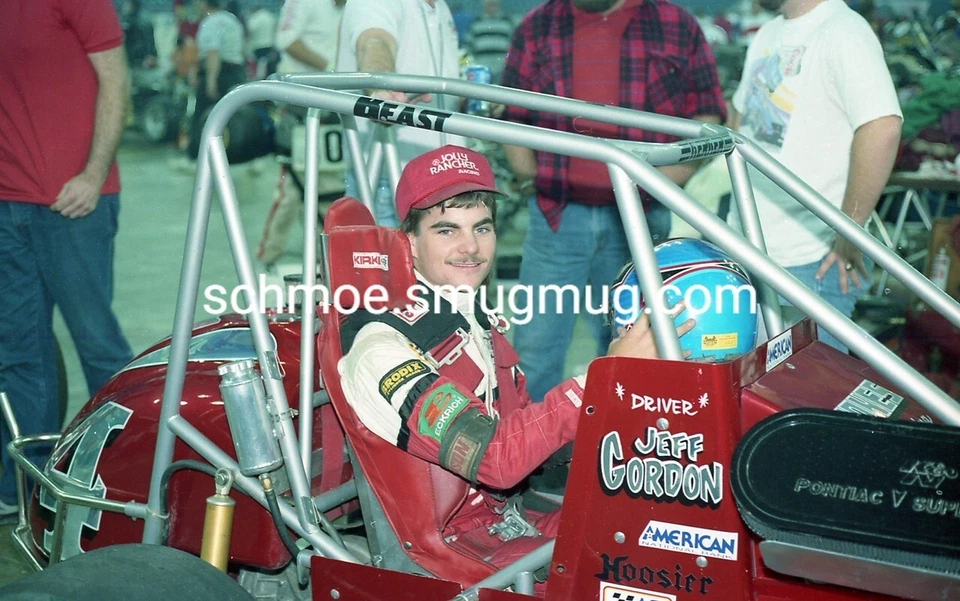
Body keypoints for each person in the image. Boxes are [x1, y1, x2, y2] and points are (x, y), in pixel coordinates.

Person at [339, 144, 693, 581]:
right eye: (447, 230)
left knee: (671, 533)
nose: (470, 247)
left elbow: (532, 438)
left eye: (481, 228)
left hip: (510, 522)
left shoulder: (472, 318)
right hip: (455, 555)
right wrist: (602, 378)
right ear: (409, 242)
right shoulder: (382, 346)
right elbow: (496, 457)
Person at [499, 0, 727, 403]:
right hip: (557, 217)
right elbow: (515, 113)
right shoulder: (538, 26)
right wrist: (527, 171)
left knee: (642, 348)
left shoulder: (675, 24)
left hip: (639, 220)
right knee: (536, 348)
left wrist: (668, 179)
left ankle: (626, 446)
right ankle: (534, 458)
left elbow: (708, 115)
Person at [0, 0, 134, 517]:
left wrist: (94, 174)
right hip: (8, 204)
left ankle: (126, 479)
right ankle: (27, 487)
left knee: (98, 346)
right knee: (18, 354)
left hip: (74, 204)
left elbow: (115, 81)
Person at [730, 0, 902, 352]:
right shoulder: (769, 31)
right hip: (747, 248)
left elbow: (882, 127)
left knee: (803, 398)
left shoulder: (843, 31)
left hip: (811, 262)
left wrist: (849, 230)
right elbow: (738, 119)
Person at [336, 0, 467, 226]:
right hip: (389, 182)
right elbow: (373, 41)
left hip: (440, 177)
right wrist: (382, 87)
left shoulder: (439, 6)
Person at [256, 0, 347, 268]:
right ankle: (266, 258)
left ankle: (327, 260)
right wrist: (330, 66)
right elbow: (287, 39)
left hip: (334, 107)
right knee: (292, 188)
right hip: (300, 104)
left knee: (331, 189)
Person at [189, 0, 246, 158]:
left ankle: (196, 156)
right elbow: (242, 48)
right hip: (237, 71)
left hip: (220, 72)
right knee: (232, 115)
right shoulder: (232, 19)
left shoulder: (210, 22)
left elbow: (213, 53)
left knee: (203, 116)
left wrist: (210, 80)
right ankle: (232, 155)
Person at [466, 0, 514, 83]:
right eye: (489, 4)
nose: (492, 6)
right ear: (484, 5)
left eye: (494, 4)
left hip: (502, 71)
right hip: (482, 71)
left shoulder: (507, 23)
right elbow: (469, 47)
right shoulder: (476, 23)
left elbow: (514, 47)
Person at [246, 2, 279, 79]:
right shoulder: (270, 16)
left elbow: (250, 31)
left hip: (259, 46)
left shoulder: (255, 18)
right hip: (270, 45)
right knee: (269, 66)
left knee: (260, 69)